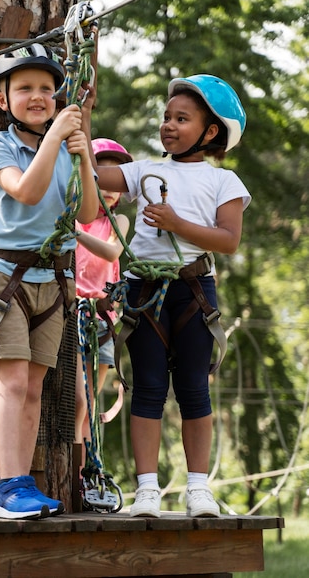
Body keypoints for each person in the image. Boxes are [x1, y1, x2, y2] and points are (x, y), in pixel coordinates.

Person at [92, 74, 251, 518]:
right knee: (147, 387)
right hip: (146, 290)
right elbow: (92, 171)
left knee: (194, 389)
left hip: (195, 291)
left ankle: (198, 488)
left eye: (181, 118)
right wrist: (77, 122)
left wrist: (177, 224)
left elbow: (228, 240)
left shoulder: (225, 182)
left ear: (210, 131)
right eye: (166, 117)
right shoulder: (144, 170)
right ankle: (147, 489)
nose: (168, 125)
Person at [0, 44, 98, 519]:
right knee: (12, 379)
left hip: (53, 279)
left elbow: (87, 212)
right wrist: (56, 140)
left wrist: (82, 153)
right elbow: (25, 192)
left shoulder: (65, 147)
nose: (39, 96)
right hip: (6, 276)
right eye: (25, 88)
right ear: (4, 99)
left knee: (34, 387)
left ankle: (22, 484)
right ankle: (8, 488)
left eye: (47, 88)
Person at [74, 138, 132, 467]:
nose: (109, 190)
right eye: (102, 180)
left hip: (101, 319)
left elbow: (111, 251)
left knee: (92, 402)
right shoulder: (71, 216)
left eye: (116, 183)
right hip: (71, 315)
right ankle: (74, 467)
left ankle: (87, 472)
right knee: (77, 399)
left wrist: (73, 233)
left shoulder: (116, 224)